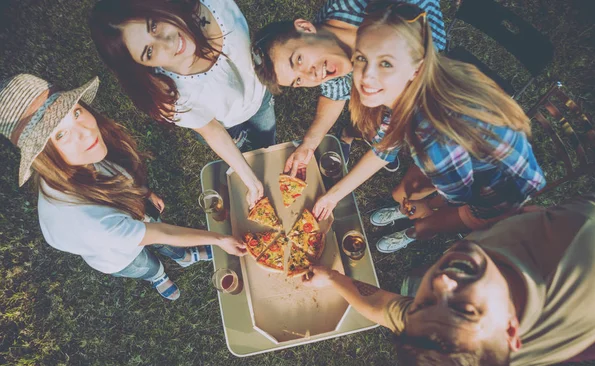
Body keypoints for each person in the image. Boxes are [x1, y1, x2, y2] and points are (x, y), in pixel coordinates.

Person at [304, 193, 595, 366]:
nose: (442, 281)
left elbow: (381, 307)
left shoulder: (450, 330)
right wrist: (535, 218)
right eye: (465, 308)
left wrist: (332, 277)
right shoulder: (581, 233)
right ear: (510, 329)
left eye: (424, 303)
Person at [312, 1, 545, 253]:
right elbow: (384, 150)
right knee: (401, 196)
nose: (367, 76)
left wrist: (431, 206)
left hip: (495, 197)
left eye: (386, 63)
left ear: (416, 69)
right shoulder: (415, 91)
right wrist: (333, 195)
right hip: (463, 162)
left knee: (425, 221)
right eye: (361, 57)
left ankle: (412, 232)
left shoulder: (434, 140)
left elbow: (462, 198)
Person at [0, 74, 247, 301]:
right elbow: (163, 233)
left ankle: (182, 257)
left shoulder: (77, 159)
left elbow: (119, 181)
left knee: (159, 233)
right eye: (61, 135)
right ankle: (159, 276)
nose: (86, 133)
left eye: (76, 113)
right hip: (119, 256)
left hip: (134, 212)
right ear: (44, 156)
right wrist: (220, 239)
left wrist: (143, 192)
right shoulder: (90, 225)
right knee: (143, 264)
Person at [90, 0, 274, 207]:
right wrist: (250, 179)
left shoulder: (216, 4)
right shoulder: (169, 94)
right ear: (140, 67)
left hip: (261, 98)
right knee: (243, 152)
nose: (168, 43)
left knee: (267, 142)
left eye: (154, 25)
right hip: (228, 127)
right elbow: (212, 130)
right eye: (149, 52)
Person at [251, 0, 446, 176]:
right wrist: (308, 145)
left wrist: (385, 142)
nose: (311, 76)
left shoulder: (399, 35)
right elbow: (336, 92)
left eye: (299, 60)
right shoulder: (326, 41)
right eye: (298, 81)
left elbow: (393, 133)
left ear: (305, 28)